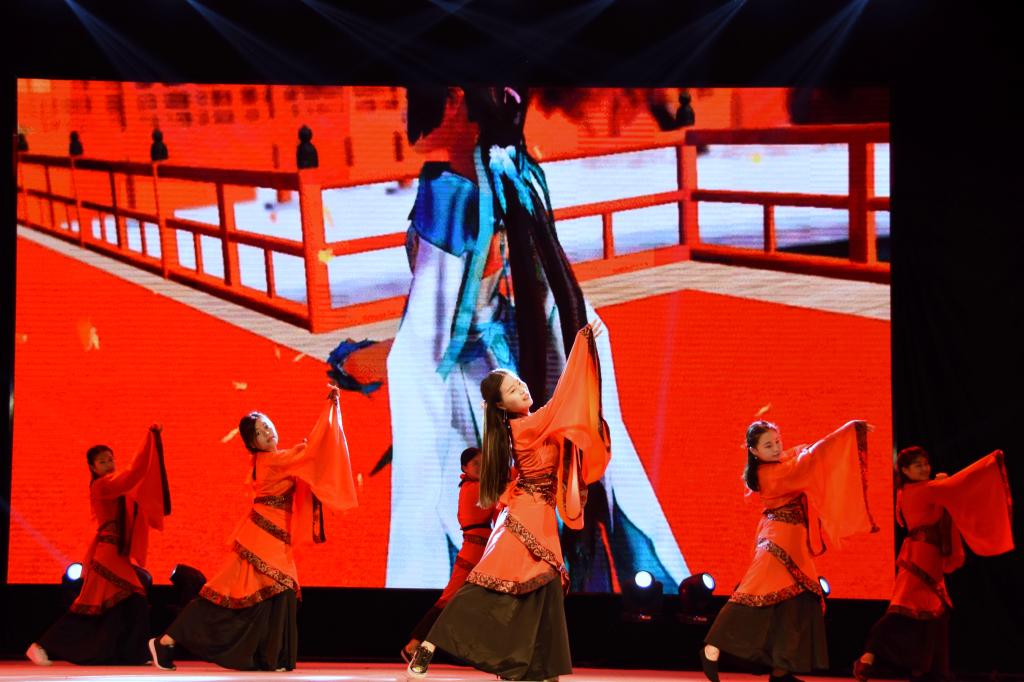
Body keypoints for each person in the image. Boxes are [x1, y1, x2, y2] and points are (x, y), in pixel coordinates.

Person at [382, 85, 688, 591]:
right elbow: (545, 288)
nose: (406, 118)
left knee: (470, 504)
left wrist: (387, 366)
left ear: (455, 101)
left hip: (478, 371)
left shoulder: (450, 193)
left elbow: (431, 332)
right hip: (520, 350)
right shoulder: (518, 176)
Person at [406, 321, 610, 681]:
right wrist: (582, 347)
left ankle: (537, 668)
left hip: (537, 513)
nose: (522, 389)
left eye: (519, 383)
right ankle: (430, 643)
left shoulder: (530, 423)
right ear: (502, 406)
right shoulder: (527, 427)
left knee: (542, 589)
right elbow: (566, 398)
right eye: (513, 390)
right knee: (488, 586)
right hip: (526, 516)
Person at [148, 386, 357, 672]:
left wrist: (327, 417)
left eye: (268, 426)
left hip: (266, 535)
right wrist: (329, 410)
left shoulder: (274, 459)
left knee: (256, 594)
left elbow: (308, 455)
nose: (268, 432)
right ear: (252, 442)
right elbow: (315, 451)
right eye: (260, 432)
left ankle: (268, 656)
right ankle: (166, 642)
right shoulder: (273, 461)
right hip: (262, 537)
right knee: (258, 591)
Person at [701, 419, 878, 682]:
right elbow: (810, 459)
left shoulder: (781, 463)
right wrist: (846, 432)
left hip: (793, 542)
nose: (776, 448)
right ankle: (712, 646)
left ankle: (781, 672)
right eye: (768, 445)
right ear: (754, 451)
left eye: (777, 441)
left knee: (796, 605)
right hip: (777, 542)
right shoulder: (772, 474)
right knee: (751, 593)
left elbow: (801, 451)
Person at [854, 447, 1013, 682]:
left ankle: (931, 670)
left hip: (925, 555)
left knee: (934, 613)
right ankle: (870, 656)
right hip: (920, 556)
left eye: (926, 463)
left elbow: (950, 492)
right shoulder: (925, 489)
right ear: (905, 470)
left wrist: (944, 484)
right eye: (918, 465)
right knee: (904, 608)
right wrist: (990, 463)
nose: (925, 468)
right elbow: (963, 483)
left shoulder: (909, 490)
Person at [26, 425, 170, 666]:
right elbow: (133, 475)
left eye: (111, 460)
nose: (109, 464)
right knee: (106, 604)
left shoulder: (115, 487)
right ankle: (41, 645)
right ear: (92, 468)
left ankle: (132, 653)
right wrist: (150, 442)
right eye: (102, 462)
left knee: (122, 605)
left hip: (114, 554)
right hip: (107, 555)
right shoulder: (102, 486)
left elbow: (135, 485)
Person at [401, 446, 498, 662]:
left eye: (483, 463)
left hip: (480, 554)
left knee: (470, 606)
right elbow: (498, 497)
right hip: (473, 555)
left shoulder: (476, 486)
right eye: (476, 464)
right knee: (448, 604)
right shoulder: (473, 489)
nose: (481, 467)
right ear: (465, 468)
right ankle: (414, 646)